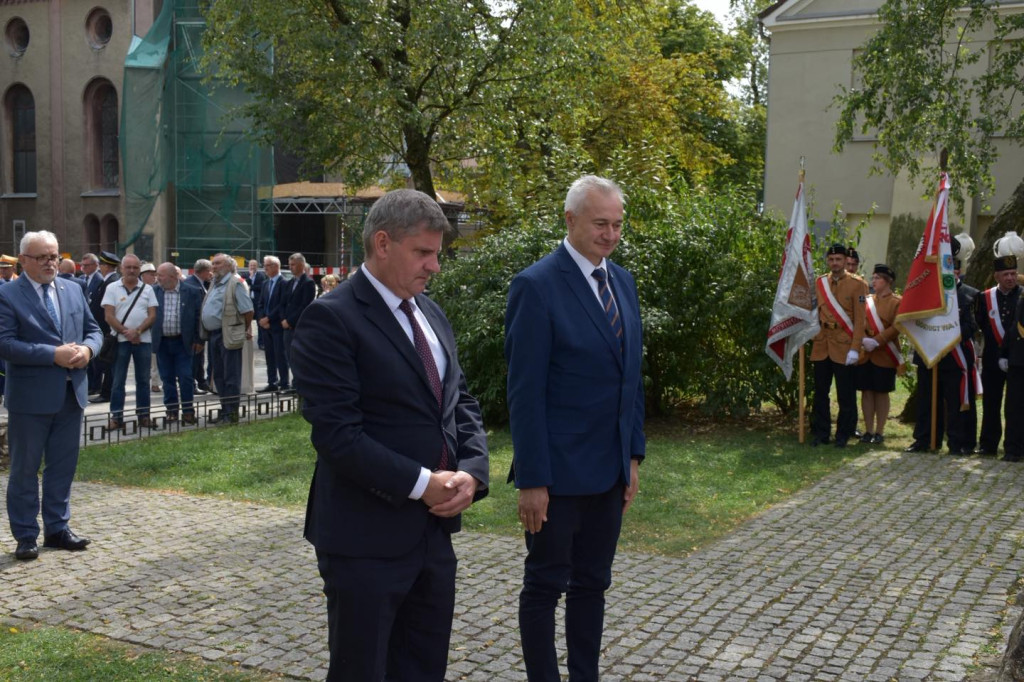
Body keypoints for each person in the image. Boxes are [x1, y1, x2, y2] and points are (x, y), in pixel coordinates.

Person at [290, 189, 489, 681]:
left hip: (433, 539)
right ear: (382, 243)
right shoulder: (331, 317)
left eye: (436, 253)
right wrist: (423, 484)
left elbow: (459, 402)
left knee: (423, 670)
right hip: (364, 539)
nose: (434, 266)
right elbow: (338, 436)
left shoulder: (430, 312)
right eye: (423, 252)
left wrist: (472, 472)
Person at [505, 175, 645, 682]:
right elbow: (525, 393)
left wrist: (632, 456)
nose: (611, 235)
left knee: (593, 584)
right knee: (545, 586)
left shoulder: (623, 282)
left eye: (618, 225)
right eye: (600, 224)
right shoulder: (536, 285)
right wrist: (533, 479)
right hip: (557, 478)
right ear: (570, 220)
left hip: (609, 472)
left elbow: (631, 378)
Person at [0, 230, 102, 561]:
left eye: (54, 256)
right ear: (23, 260)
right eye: (42, 257)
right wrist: (51, 355)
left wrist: (88, 350)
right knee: (25, 469)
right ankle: (26, 534)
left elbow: (94, 330)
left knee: (62, 467)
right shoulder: (7, 294)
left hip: (72, 393)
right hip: (30, 398)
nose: (50, 263)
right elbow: (5, 343)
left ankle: (57, 529)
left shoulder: (73, 289)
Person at [905, 242, 980, 454]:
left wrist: (947, 335)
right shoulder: (925, 293)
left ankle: (957, 442)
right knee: (927, 400)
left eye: (953, 271)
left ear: (957, 271)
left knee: (956, 402)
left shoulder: (969, 295)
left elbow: (971, 327)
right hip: (929, 354)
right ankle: (925, 439)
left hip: (954, 357)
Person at [811, 244, 868, 448]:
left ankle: (843, 434)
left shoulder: (857, 284)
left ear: (845, 261)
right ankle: (821, 433)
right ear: (827, 260)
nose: (834, 263)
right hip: (822, 344)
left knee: (845, 394)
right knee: (820, 392)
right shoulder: (820, 282)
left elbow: (860, 320)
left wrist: (855, 348)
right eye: (831, 259)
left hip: (844, 345)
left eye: (838, 259)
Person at [102, 254, 158, 431]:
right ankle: (116, 417)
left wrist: (138, 331)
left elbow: (152, 315)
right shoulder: (112, 288)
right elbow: (109, 316)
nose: (132, 270)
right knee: (118, 381)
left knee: (143, 381)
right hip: (120, 341)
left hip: (143, 340)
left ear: (139, 269)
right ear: (121, 269)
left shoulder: (148, 289)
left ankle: (144, 416)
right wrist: (127, 332)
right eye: (128, 267)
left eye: (135, 267)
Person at [974, 255, 1021, 455]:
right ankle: (988, 444)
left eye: (1013, 273)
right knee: (991, 403)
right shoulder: (985, 298)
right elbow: (979, 325)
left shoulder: (1023, 295)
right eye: (1006, 274)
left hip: (1018, 359)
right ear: (996, 276)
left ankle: (1015, 446)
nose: (1010, 278)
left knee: (1016, 405)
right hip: (992, 358)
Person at [200, 254, 253, 424]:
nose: (214, 266)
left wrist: (240, 330)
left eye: (218, 263)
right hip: (214, 335)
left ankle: (231, 414)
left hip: (228, 335)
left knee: (231, 376)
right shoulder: (215, 283)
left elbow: (248, 311)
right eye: (213, 264)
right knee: (219, 376)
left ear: (229, 266)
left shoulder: (235, 283)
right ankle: (225, 412)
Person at [856, 264, 903, 444]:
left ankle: (879, 431)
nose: (873, 281)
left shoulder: (897, 302)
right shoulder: (867, 300)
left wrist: (877, 340)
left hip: (884, 353)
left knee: (882, 392)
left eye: (877, 278)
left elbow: (897, 326)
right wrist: (863, 339)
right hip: (865, 354)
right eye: (873, 277)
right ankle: (868, 430)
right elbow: (858, 320)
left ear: (887, 281)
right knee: (867, 391)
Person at [152, 262, 203, 425]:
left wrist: (199, 340)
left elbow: (199, 317)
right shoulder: (153, 291)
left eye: (161, 275)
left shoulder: (192, 291)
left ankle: (188, 411)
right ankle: (171, 411)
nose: (158, 278)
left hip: (183, 342)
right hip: (162, 342)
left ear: (173, 276)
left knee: (186, 376)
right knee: (167, 378)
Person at [87, 251, 121, 403]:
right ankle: (105, 391)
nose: (100, 267)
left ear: (106, 266)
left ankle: (107, 393)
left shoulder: (111, 282)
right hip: (104, 329)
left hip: (107, 330)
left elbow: (106, 309)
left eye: (101, 264)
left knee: (108, 363)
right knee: (106, 363)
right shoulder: (107, 281)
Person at [256, 255, 288, 392]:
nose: (265, 268)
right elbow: (260, 303)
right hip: (265, 326)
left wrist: (268, 318)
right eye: (264, 265)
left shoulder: (284, 283)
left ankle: (284, 383)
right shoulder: (265, 283)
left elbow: (282, 304)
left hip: (277, 325)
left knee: (280, 355)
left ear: (276, 266)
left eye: (267, 265)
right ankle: (272, 382)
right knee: (269, 356)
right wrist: (261, 319)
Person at [1000, 286, 1024, 462]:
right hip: (1018, 360)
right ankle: (1013, 448)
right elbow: (1012, 327)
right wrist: (1004, 353)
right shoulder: (1021, 300)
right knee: (1014, 407)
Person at [185, 258, 214, 394]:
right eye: (210, 271)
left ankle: (200, 382)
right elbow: (196, 314)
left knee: (198, 359)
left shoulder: (196, 283)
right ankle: (191, 386)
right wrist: (199, 338)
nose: (211, 274)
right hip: (194, 334)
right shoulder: (194, 286)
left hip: (196, 332)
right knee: (193, 360)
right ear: (204, 271)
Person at [281, 252, 316, 366]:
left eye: (293, 264)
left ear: (301, 265)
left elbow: (305, 306)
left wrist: (290, 321)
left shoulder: (308, 283)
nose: (290, 267)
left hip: (298, 327)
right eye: (289, 265)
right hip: (287, 327)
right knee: (290, 358)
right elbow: (283, 303)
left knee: (300, 360)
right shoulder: (290, 283)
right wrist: (283, 319)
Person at [140, 262, 162, 392]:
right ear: (142, 275)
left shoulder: (158, 288)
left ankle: (155, 382)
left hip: (154, 327)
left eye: (154, 274)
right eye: (150, 274)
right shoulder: (139, 289)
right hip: (141, 327)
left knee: (154, 356)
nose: (153, 276)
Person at [248, 259, 267, 350]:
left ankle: (261, 343)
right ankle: (247, 343)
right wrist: (250, 278)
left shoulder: (261, 275)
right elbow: (244, 284)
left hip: (257, 302)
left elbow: (261, 287)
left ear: (257, 267)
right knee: (247, 323)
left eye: (254, 265)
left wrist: (251, 286)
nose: (252, 267)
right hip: (248, 303)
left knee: (260, 323)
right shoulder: (245, 275)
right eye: (251, 265)